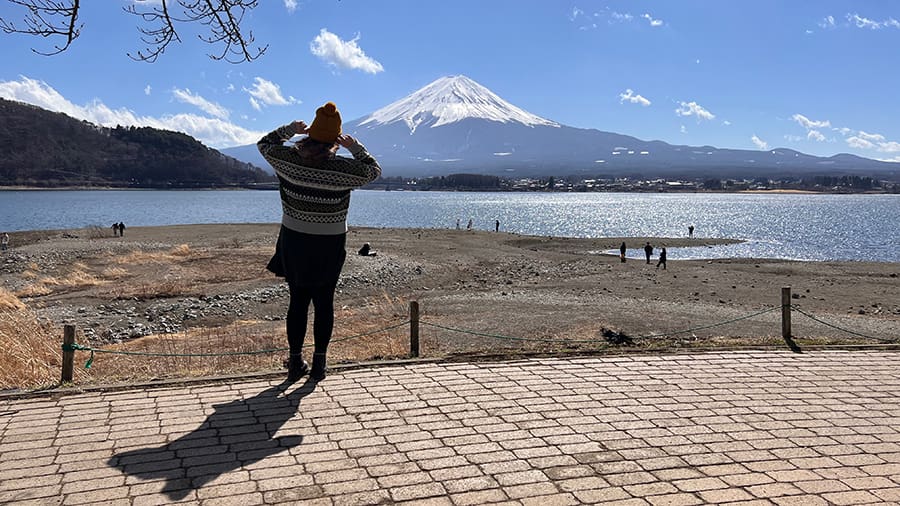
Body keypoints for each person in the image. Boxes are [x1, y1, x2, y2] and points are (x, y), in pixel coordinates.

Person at [258, 101, 381, 383]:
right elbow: (374, 170)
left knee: (297, 302)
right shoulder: (345, 169)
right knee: (324, 302)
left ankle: (294, 362)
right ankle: (319, 365)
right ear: (335, 137)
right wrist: (355, 147)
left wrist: (290, 129)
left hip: (294, 241)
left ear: (310, 132)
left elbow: (264, 144)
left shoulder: (287, 160)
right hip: (330, 244)